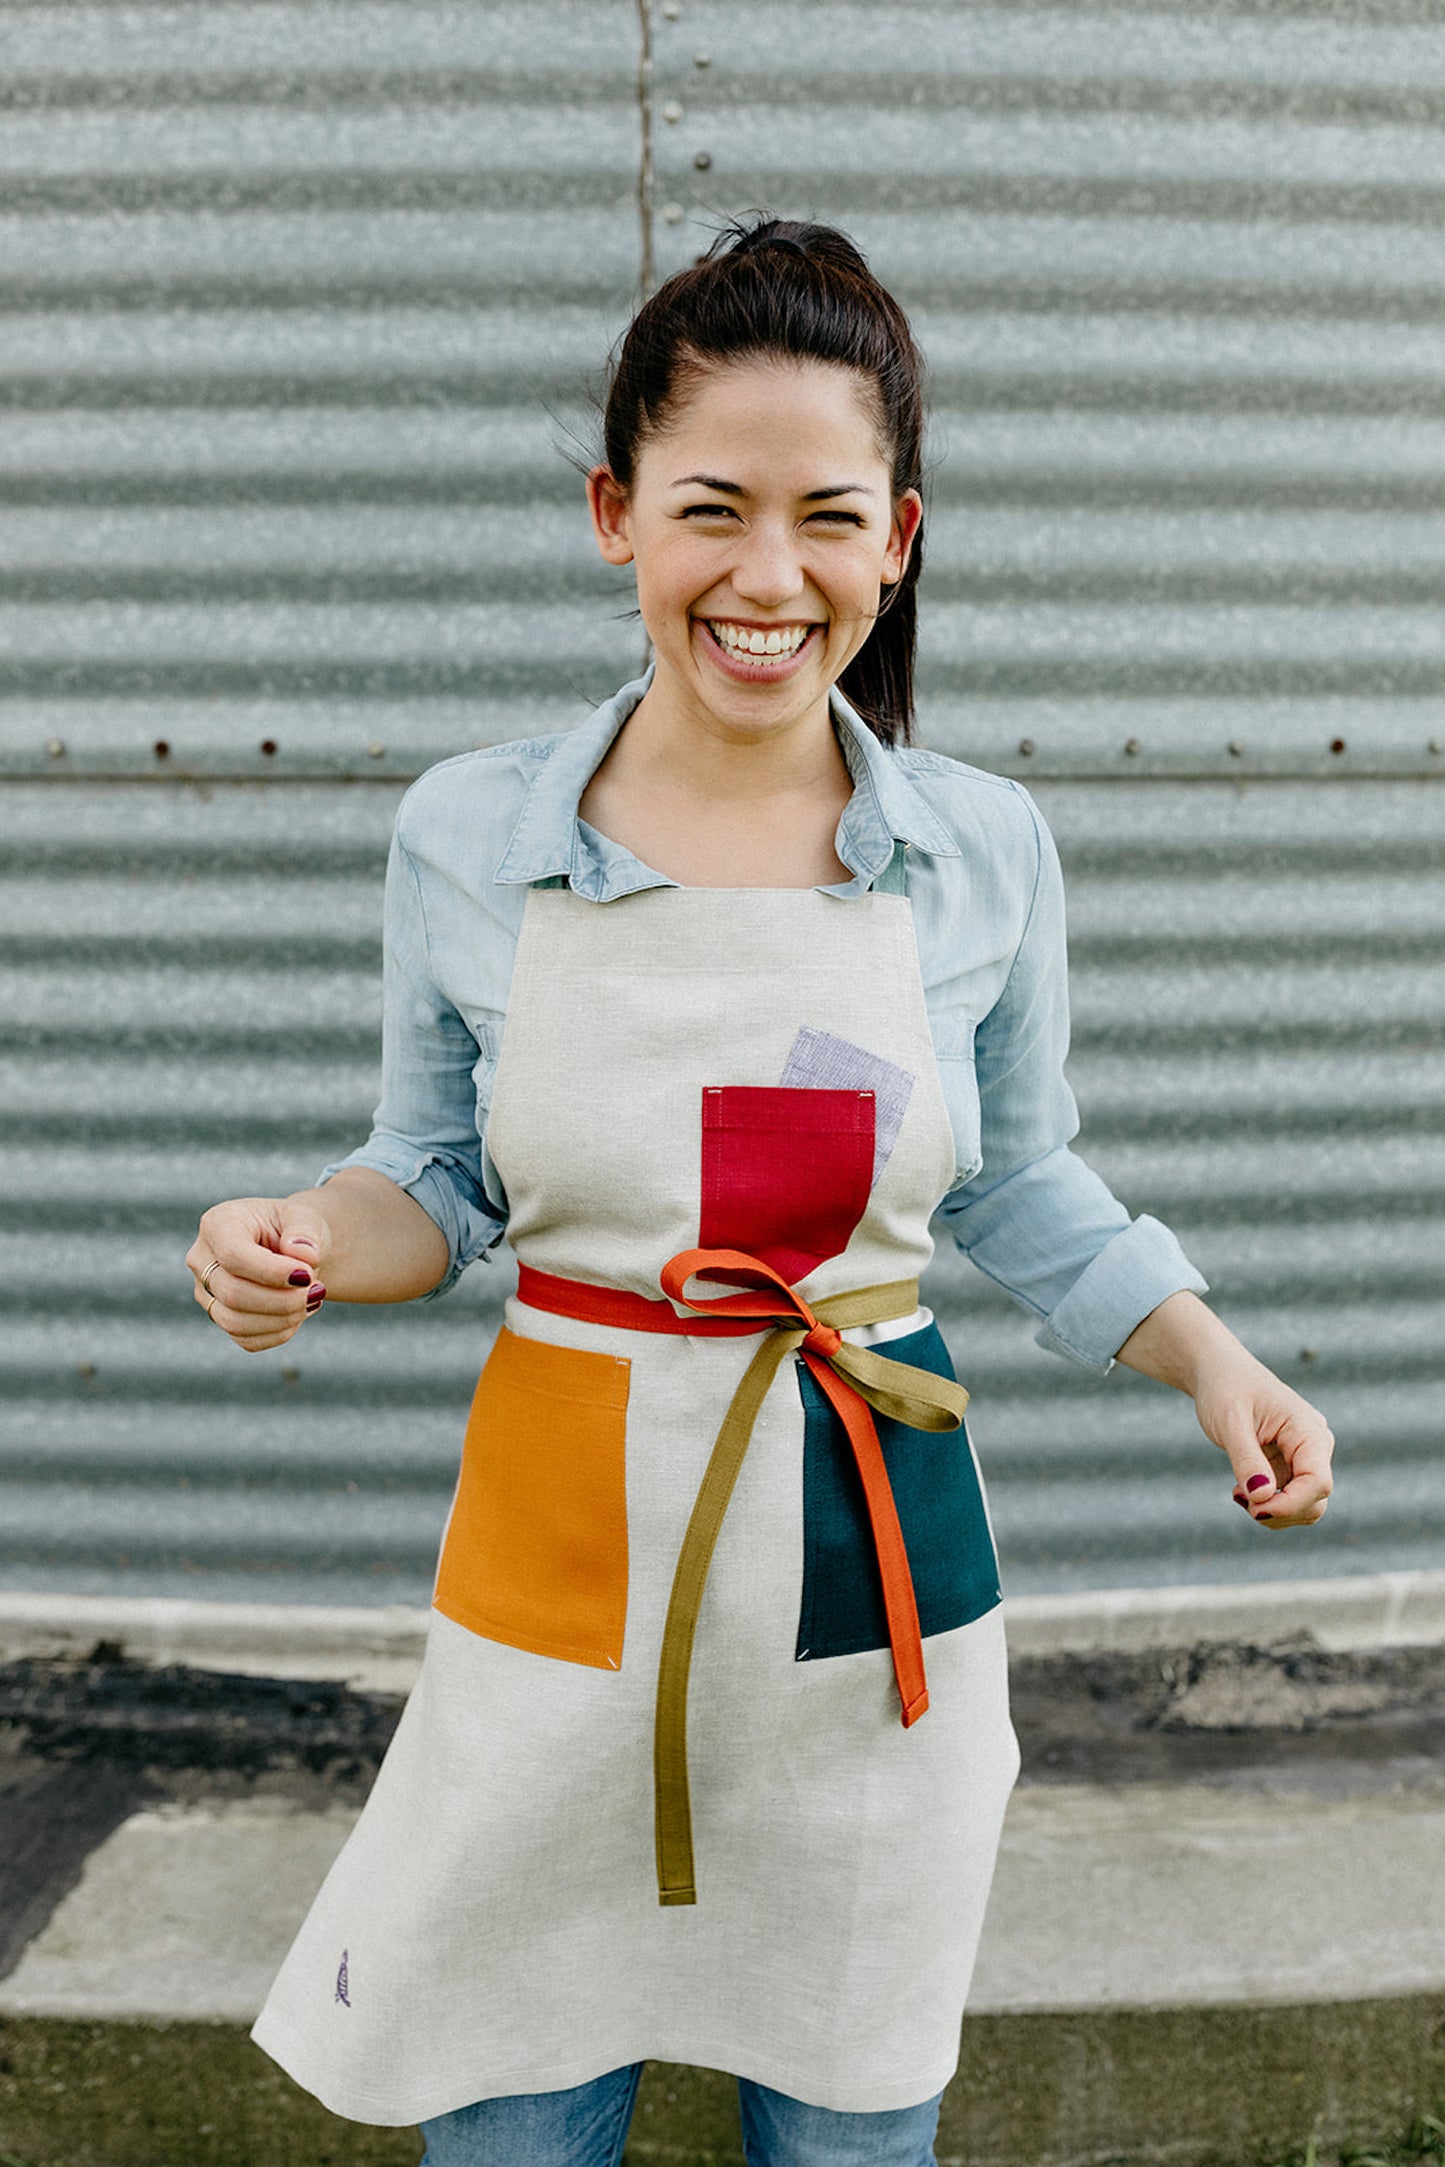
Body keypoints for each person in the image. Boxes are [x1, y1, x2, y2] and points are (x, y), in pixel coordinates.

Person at [186, 219, 1334, 2167]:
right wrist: (296, 1238)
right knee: (514, 2102)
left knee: (851, 2114)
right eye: (713, 506)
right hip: (566, 1562)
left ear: (897, 539)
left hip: (866, 1571)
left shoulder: (976, 851)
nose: (770, 573)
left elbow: (1025, 1178)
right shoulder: (475, 838)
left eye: (830, 516)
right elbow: (435, 1180)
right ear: (614, 512)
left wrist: (1219, 1365)